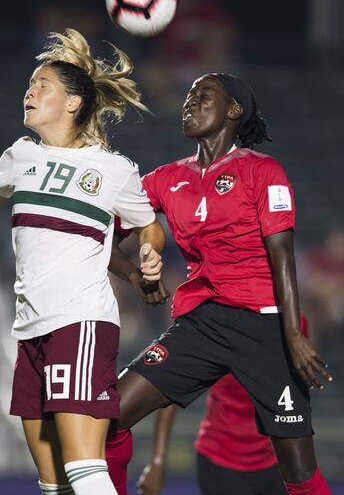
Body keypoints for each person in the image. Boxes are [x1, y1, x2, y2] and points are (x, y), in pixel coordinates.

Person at [112, 72, 333, 495]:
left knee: (299, 470)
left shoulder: (263, 171)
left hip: (264, 326)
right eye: (189, 95)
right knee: (109, 415)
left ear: (233, 110)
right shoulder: (164, 179)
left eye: (203, 94)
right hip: (201, 322)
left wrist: (294, 334)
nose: (190, 101)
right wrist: (138, 272)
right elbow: (114, 234)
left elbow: (281, 256)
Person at [0, 28, 164, 495]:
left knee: (85, 470)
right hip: (29, 331)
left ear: (73, 102)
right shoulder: (18, 157)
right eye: (29, 84)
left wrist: (149, 252)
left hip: (79, 323)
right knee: (53, 484)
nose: (30, 90)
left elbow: (148, 224)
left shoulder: (113, 168)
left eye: (42, 83)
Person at [137, 316, 309, 495]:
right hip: (221, 461)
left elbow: (298, 390)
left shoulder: (295, 325)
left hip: (276, 462)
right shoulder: (214, 320)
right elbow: (170, 388)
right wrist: (157, 461)